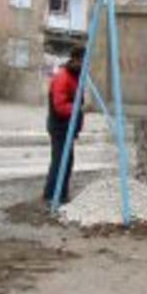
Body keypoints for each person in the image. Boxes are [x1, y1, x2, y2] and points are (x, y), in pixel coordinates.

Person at [44, 46, 86, 205]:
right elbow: (60, 106)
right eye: (83, 61)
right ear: (76, 59)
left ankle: (56, 194)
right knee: (61, 161)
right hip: (59, 126)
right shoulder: (63, 77)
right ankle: (55, 196)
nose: (86, 65)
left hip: (67, 127)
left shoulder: (75, 75)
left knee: (64, 161)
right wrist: (80, 109)